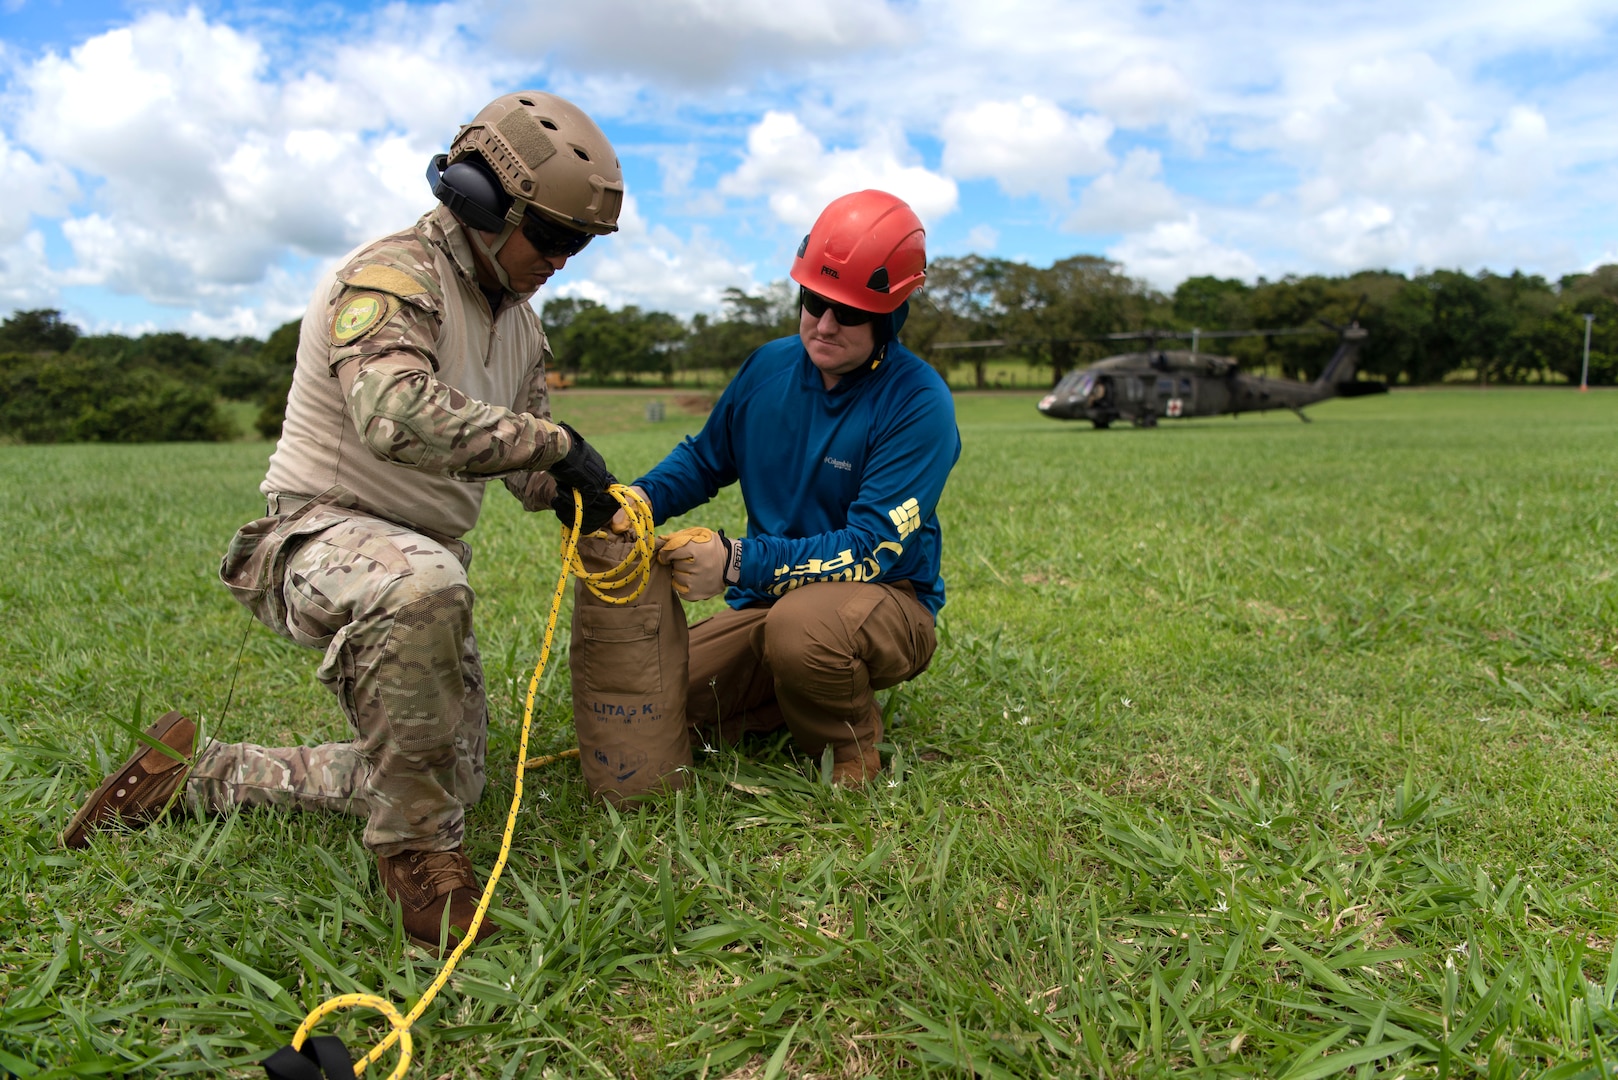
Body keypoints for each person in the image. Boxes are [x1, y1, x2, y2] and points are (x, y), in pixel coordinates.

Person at [60, 91, 627, 953]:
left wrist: (589, 497)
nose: (560, 259)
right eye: (549, 236)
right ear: (479, 199)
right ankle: (418, 857)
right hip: (317, 538)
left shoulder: (521, 327)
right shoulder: (393, 276)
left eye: (575, 244)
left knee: (448, 776)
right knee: (424, 592)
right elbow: (395, 415)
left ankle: (200, 777)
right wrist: (556, 443)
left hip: (417, 557)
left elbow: (528, 466)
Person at [621, 190, 960, 787]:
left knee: (805, 631)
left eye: (849, 313)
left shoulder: (918, 402)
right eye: (813, 300)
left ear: (891, 313)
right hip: (770, 601)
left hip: (886, 597)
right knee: (650, 701)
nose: (824, 325)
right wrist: (639, 501)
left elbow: (870, 549)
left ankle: (850, 759)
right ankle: (786, 690)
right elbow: (705, 460)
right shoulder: (768, 367)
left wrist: (733, 562)